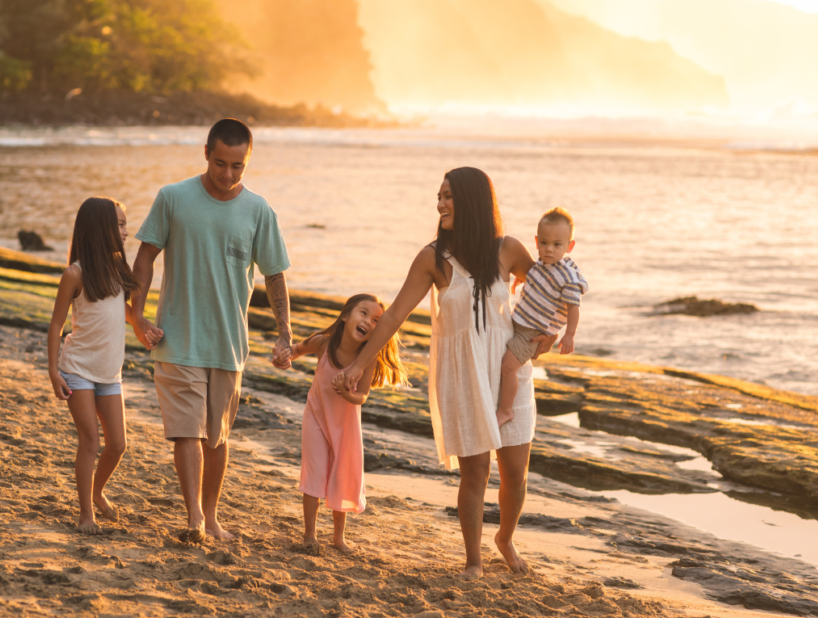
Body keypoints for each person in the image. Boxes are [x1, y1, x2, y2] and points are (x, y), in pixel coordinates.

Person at [343, 167, 556, 579]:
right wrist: (358, 363)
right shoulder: (432, 258)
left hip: (509, 369)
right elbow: (393, 319)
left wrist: (548, 333)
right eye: (438, 197)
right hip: (464, 376)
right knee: (476, 472)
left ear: (473, 200)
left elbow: (548, 287)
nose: (439, 204)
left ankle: (505, 538)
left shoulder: (508, 249)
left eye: (448, 197)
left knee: (515, 473)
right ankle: (473, 560)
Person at [130, 118, 293, 542]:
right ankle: (193, 520)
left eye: (237, 166)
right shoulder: (173, 198)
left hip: (228, 343)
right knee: (188, 431)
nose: (227, 174)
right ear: (206, 153)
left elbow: (275, 276)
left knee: (217, 439)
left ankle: (211, 514)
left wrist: (285, 334)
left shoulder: (259, 210)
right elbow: (145, 258)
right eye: (220, 163)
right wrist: (137, 314)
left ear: (248, 161)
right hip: (176, 338)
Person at [47, 197, 164, 534]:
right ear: (100, 229)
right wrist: (54, 371)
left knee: (118, 445)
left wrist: (141, 327)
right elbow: (56, 325)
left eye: (126, 224)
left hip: (110, 374)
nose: (127, 232)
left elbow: (122, 310)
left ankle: (98, 492)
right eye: (121, 225)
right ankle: (86, 513)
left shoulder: (117, 269)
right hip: (78, 369)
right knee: (90, 442)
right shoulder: (74, 274)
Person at [283, 294, 409, 552]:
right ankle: (309, 535)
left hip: (346, 429)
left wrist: (346, 393)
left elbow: (362, 396)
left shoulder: (367, 358)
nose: (368, 322)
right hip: (316, 418)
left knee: (342, 477)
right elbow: (296, 350)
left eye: (376, 321)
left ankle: (338, 538)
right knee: (315, 474)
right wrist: (283, 357)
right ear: (345, 315)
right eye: (363, 313)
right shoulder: (323, 344)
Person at [496, 207, 587, 427]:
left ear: (569, 246)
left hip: (532, 333)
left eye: (557, 245)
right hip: (518, 323)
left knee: (508, 367)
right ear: (536, 241)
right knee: (500, 362)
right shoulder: (542, 264)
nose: (549, 249)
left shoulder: (568, 277)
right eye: (544, 243)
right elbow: (537, 277)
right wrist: (524, 280)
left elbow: (573, 308)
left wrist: (569, 335)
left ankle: (506, 410)